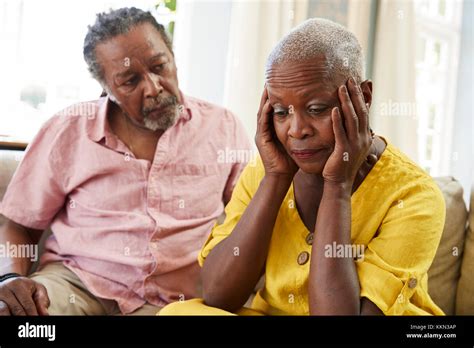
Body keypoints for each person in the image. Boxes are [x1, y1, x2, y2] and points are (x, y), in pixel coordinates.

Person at [159, 18, 445, 316]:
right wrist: (275, 178)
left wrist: (337, 186)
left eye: (316, 109)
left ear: (364, 98)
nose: (296, 130)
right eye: (281, 112)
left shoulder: (415, 196)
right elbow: (217, 295)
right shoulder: (266, 170)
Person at [0, 7, 251, 315]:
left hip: (176, 301)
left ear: (172, 55)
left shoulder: (222, 128)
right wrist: (10, 277)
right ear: (105, 87)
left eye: (160, 66)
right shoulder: (67, 130)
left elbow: (250, 222)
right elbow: (19, 226)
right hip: (77, 285)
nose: (154, 88)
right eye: (130, 81)